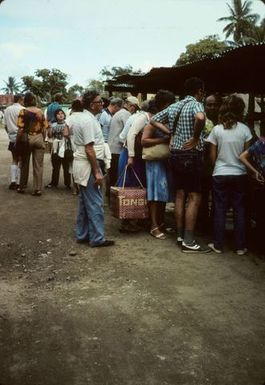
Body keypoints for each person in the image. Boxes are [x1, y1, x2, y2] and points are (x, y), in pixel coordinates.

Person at [151, 77, 210, 253]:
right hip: (192, 155)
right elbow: (200, 117)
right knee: (194, 198)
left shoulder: (175, 106)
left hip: (175, 154)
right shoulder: (196, 104)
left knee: (179, 195)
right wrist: (194, 137)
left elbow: (153, 119)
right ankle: (189, 241)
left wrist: (170, 132)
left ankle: (179, 235)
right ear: (199, 91)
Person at [206, 95, 252, 255]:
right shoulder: (245, 129)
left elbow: (212, 156)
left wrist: (217, 167)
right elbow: (247, 154)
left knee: (219, 208)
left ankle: (218, 245)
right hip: (240, 174)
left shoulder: (217, 129)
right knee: (239, 209)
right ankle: (240, 246)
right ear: (240, 110)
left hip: (220, 173)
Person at [71, 90, 114, 247]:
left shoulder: (82, 118)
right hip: (88, 166)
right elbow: (90, 149)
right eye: (99, 101)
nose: (102, 104)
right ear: (91, 105)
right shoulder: (88, 121)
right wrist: (97, 171)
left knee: (84, 202)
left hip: (83, 164)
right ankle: (97, 238)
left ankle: (82, 234)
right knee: (95, 202)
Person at [142, 92, 176, 239]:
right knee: (155, 195)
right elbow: (144, 141)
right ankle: (154, 226)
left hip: (165, 161)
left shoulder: (168, 120)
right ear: (163, 105)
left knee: (163, 194)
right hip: (154, 162)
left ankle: (160, 223)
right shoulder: (153, 121)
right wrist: (163, 140)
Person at [197, 94, 223, 232]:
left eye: (215, 104)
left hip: (221, 167)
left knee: (218, 199)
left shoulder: (225, 122)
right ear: (204, 106)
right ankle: (202, 225)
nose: (212, 107)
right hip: (204, 166)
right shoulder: (201, 121)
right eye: (209, 104)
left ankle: (214, 225)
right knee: (203, 196)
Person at [239, 126, 265, 255]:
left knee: (261, 215)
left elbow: (242, 156)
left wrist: (255, 172)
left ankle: (260, 246)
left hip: (261, 181)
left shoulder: (261, 142)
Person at [16, 92, 48, 196]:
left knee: (24, 164)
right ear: (34, 100)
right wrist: (43, 139)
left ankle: (22, 187)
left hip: (26, 139)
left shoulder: (23, 111)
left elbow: (20, 129)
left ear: (26, 101)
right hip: (38, 138)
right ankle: (37, 189)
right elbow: (44, 127)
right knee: (38, 165)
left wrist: (17, 141)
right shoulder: (40, 112)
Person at [108, 96, 140, 189]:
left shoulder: (118, 113)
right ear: (132, 106)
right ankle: (116, 199)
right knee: (118, 177)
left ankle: (112, 198)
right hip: (118, 149)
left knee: (113, 176)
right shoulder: (126, 114)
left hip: (112, 148)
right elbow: (128, 133)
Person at [46, 109, 71, 189]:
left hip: (65, 148)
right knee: (55, 166)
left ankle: (67, 184)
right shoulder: (53, 125)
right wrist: (49, 128)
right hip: (56, 148)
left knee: (66, 166)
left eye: (62, 113)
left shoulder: (68, 124)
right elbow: (50, 136)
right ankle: (54, 183)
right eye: (58, 114)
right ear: (55, 116)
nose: (60, 115)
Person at [3, 93, 24, 189]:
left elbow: (5, 125)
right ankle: (19, 182)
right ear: (20, 99)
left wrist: (10, 135)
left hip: (12, 137)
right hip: (21, 137)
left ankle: (13, 181)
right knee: (21, 160)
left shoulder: (7, 110)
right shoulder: (22, 109)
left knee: (14, 159)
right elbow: (23, 126)